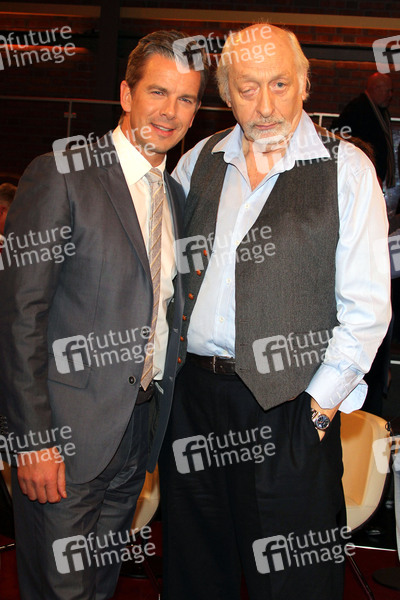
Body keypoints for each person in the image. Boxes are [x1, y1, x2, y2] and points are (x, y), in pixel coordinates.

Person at [159, 24, 391, 600]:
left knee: (293, 586)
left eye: (280, 84)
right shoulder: (197, 161)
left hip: (289, 409)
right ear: (226, 94)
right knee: (194, 576)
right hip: (193, 404)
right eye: (247, 88)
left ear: (305, 85)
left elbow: (366, 309)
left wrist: (316, 412)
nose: (265, 105)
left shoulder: (346, 169)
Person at [0, 30, 206, 600]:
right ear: (125, 94)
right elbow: (19, 318)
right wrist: (32, 441)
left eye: (185, 99)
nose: (169, 112)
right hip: (63, 442)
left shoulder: (176, 197)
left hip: (137, 433)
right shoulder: (61, 173)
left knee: (99, 589)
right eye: (157, 92)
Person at [331, 71, 395, 189]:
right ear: (376, 89)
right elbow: (340, 137)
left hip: (369, 172)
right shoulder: (358, 108)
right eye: (388, 91)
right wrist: (369, 170)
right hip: (362, 173)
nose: (390, 95)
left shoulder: (379, 111)